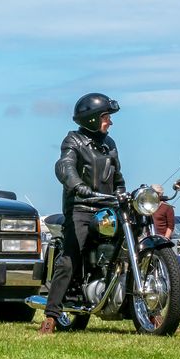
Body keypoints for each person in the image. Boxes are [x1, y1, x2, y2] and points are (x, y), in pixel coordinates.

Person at [39, 93, 125, 335]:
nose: (110, 122)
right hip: (82, 207)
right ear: (92, 119)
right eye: (106, 117)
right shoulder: (73, 141)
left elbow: (117, 176)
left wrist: (121, 194)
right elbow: (64, 166)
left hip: (107, 208)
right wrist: (77, 184)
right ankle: (51, 315)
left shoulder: (110, 144)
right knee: (70, 257)